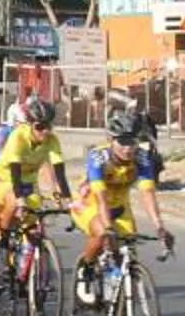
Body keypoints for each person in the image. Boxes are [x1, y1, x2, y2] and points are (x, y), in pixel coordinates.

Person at [73, 105, 173, 304]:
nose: (129, 148)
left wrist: (159, 226)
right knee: (102, 233)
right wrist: (108, 227)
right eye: (123, 142)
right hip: (91, 203)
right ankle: (86, 269)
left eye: (133, 141)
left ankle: (115, 292)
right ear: (111, 140)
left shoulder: (142, 158)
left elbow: (147, 194)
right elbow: (100, 197)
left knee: (127, 250)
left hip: (119, 205)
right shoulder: (98, 158)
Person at [0, 96, 70, 265]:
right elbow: (15, 170)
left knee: (35, 221)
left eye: (48, 127)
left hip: (27, 184)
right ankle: (4, 240)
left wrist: (67, 198)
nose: (44, 132)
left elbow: (59, 172)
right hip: (3, 180)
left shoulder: (52, 140)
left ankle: (28, 267)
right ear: (30, 125)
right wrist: (20, 199)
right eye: (40, 127)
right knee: (15, 202)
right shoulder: (18, 137)